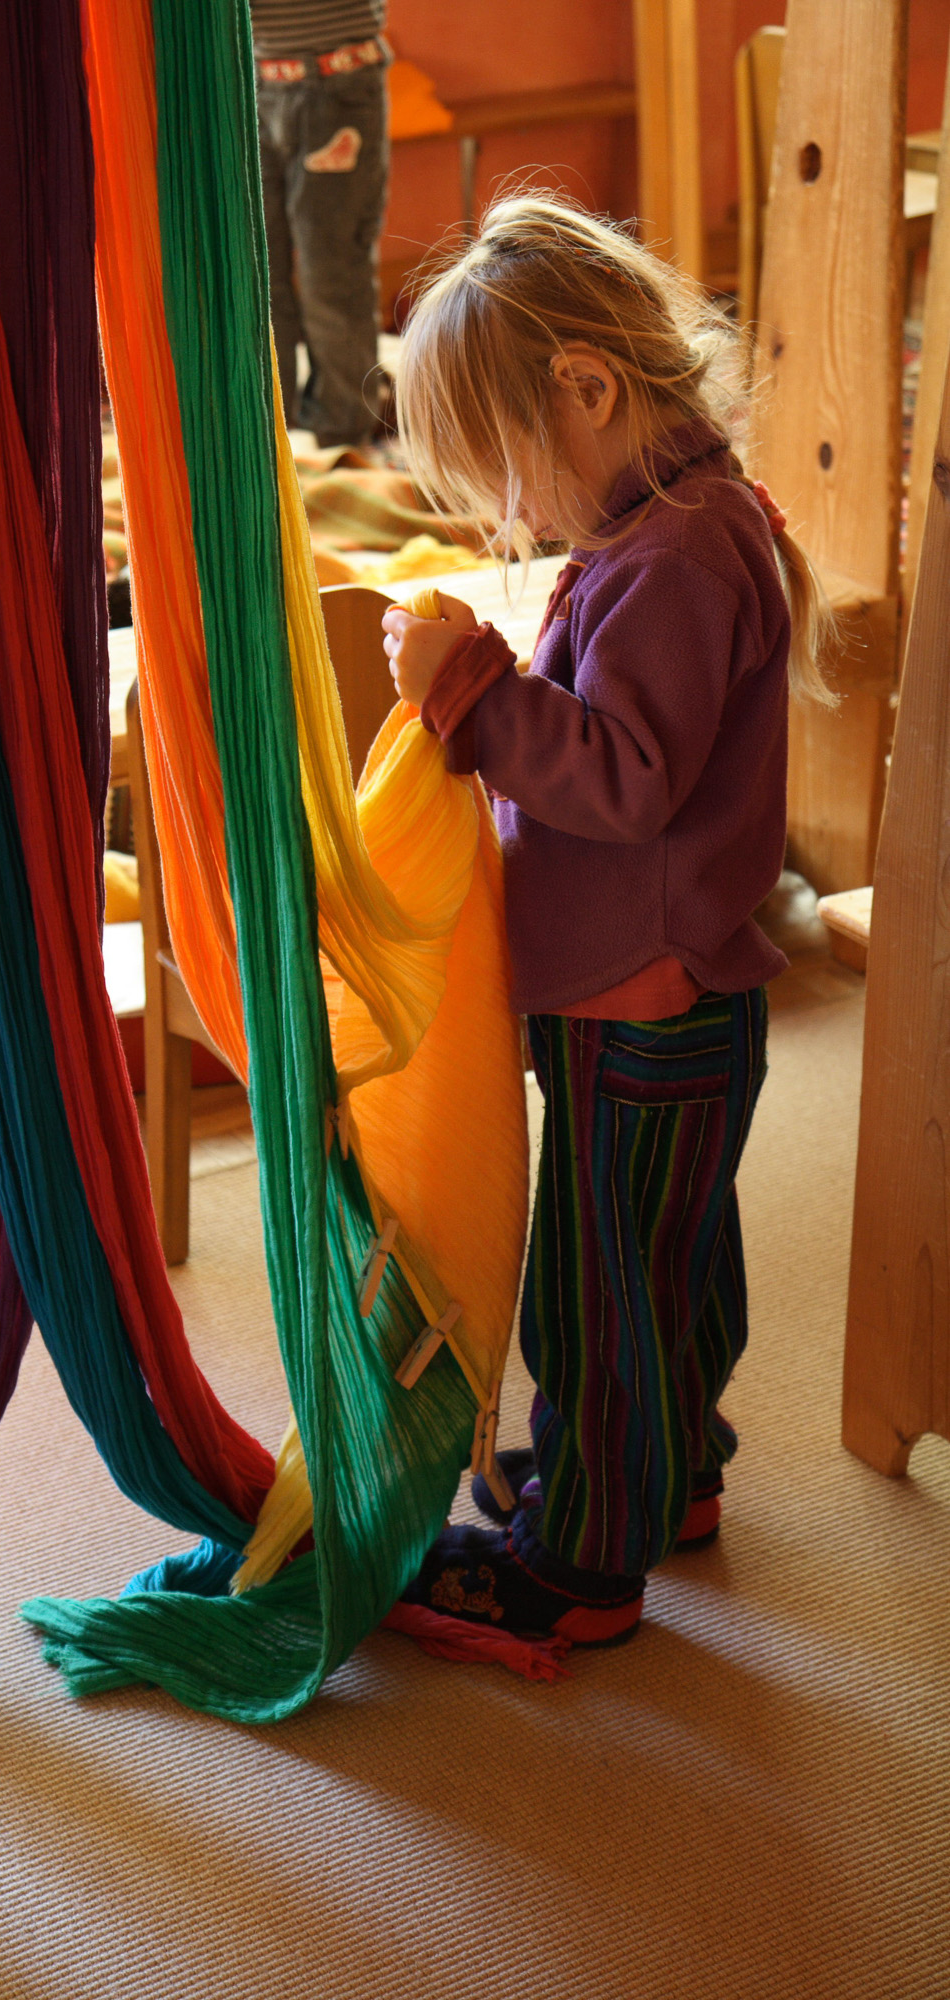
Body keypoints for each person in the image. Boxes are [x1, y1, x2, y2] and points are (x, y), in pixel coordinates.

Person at [381, 194, 834, 1650]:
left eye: (510, 469)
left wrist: (471, 696)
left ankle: (579, 1562)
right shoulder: (687, 527)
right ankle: (664, 1470)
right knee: (668, 1259)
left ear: (587, 387)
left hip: (636, 1005)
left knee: (597, 1287)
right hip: (668, 993)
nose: (511, 509)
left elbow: (624, 778)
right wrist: (510, 680)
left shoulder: (675, 561)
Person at [251, 2, 391, 447]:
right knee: (255, 270)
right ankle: (271, 428)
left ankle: (344, 431)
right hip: (250, 78)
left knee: (328, 271)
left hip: (337, 86)